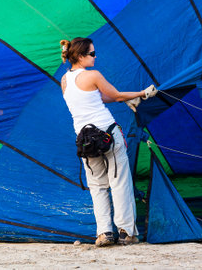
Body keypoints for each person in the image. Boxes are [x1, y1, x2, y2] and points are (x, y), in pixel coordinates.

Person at [60, 37, 157, 246]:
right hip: (108, 134)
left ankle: (104, 233)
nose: (96, 57)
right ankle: (126, 232)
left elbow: (99, 98)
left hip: (85, 140)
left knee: (97, 186)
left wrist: (125, 97)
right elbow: (117, 96)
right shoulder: (93, 75)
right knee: (120, 182)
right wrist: (141, 94)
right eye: (92, 54)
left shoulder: (64, 80)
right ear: (80, 56)